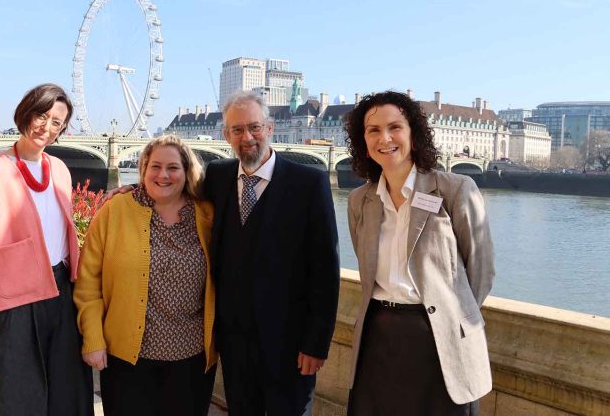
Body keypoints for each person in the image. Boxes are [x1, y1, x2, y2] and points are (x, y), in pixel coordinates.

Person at [344, 91, 495, 415]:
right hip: (378, 339)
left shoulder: (455, 190)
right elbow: (366, 267)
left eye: (395, 127)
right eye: (373, 130)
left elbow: (480, 271)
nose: (385, 138)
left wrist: (451, 318)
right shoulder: (359, 201)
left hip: (440, 340)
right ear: (363, 142)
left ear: (414, 134)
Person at [0, 83, 94, 416]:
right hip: (11, 306)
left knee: (69, 398)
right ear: (26, 114)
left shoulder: (59, 170)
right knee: (15, 401)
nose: (47, 127)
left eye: (57, 122)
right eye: (42, 116)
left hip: (61, 295)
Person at [204, 91, 339, 415]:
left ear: (270, 128)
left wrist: (316, 344)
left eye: (254, 127)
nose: (247, 137)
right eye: (237, 130)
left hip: (290, 347)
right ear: (226, 135)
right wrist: (130, 192)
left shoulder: (309, 183)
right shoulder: (217, 176)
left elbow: (325, 270)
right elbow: (170, 187)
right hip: (234, 344)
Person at [74, 134, 217, 416]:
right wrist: (93, 338)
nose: (163, 175)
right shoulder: (115, 210)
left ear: (187, 171)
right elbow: (88, 284)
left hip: (191, 360)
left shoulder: (207, 214)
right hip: (126, 359)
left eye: (173, 168)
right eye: (155, 166)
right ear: (143, 168)